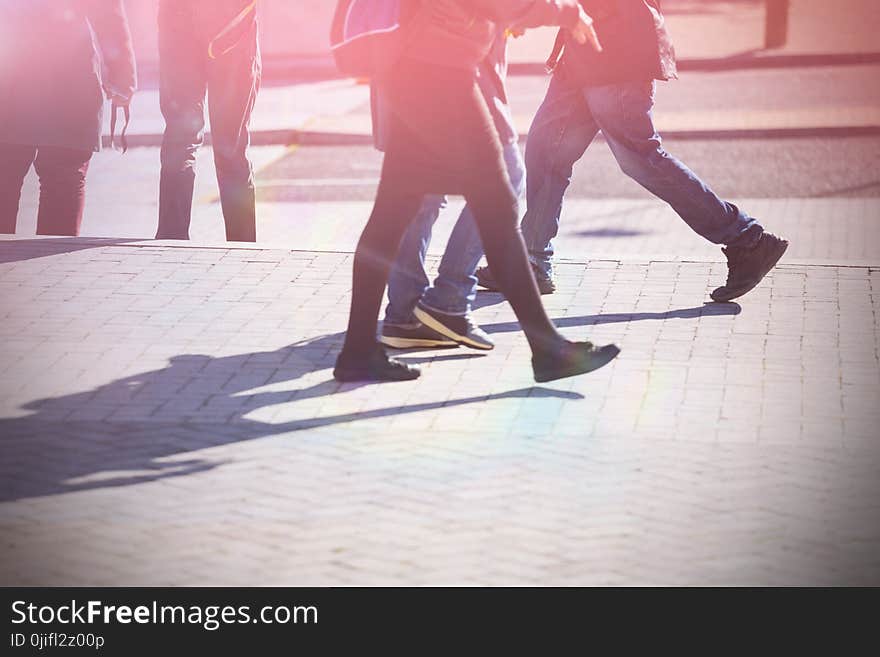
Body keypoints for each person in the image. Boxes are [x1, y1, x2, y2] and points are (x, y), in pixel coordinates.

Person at [333, 0, 621, 383]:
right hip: (440, 75)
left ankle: (357, 351)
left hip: (415, 70)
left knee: (392, 215)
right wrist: (565, 12)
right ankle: (549, 351)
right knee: (498, 212)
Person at [475, 0, 789, 303]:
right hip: (583, 49)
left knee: (641, 158)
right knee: (546, 151)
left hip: (616, 50)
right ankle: (531, 260)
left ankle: (747, 240)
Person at [378, 33, 523, 352]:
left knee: (419, 191)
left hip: (414, 71)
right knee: (507, 177)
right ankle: (448, 299)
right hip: (455, 70)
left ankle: (405, 314)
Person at [0, 0, 137, 236]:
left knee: (4, 176)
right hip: (69, 82)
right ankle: (49, 264)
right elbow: (108, 14)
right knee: (62, 178)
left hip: (11, 77)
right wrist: (122, 78)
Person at [156, 0, 261, 242]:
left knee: (180, 140)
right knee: (231, 145)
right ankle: (242, 245)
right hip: (232, 21)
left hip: (178, 17)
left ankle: (170, 240)